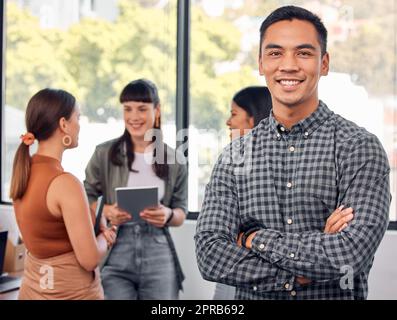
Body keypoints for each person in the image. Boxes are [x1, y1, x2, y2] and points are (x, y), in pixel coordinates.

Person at [195, 5, 390, 300]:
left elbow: (349, 254)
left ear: (324, 64)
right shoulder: (234, 156)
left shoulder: (360, 149)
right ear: (261, 63)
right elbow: (210, 254)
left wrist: (253, 239)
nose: (288, 65)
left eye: (303, 53)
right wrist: (301, 268)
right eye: (275, 53)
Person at [84, 79, 188, 300]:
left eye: (142, 109)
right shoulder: (104, 153)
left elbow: (181, 212)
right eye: (127, 109)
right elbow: (86, 197)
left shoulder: (174, 159)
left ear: (157, 111)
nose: (133, 117)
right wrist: (105, 211)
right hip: (115, 245)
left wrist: (168, 215)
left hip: (158, 248)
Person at [10, 88, 117, 300]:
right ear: (63, 125)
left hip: (33, 290)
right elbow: (89, 259)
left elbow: (48, 232)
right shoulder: (65, 183)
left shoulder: (22, 172)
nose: (80, 124)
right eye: (77, 117)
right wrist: (107, 237)